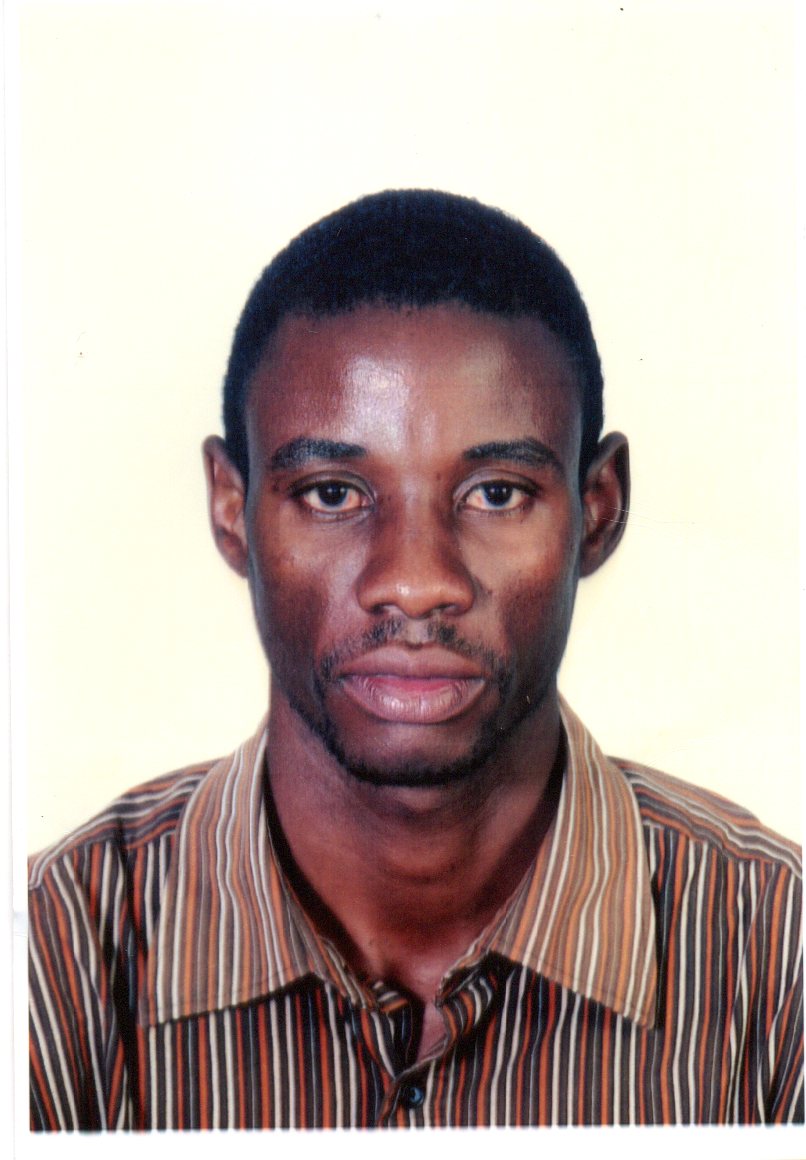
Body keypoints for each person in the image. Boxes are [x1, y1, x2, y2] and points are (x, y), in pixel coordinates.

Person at [29, 190, 803, 1130]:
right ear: (232, 511)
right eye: (331, 493)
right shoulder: (51, 954)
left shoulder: (779, 955)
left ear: (598, 510)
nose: (416, 581)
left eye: (496, 493)